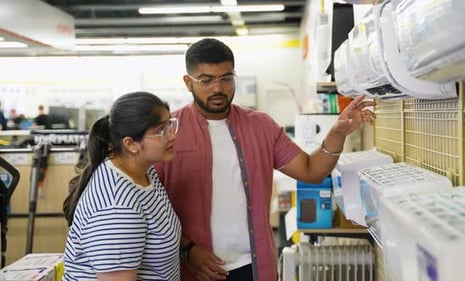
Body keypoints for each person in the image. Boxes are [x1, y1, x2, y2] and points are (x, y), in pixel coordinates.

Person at [154, 38, 376, 281]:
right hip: (192, 270)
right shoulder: (168, 132)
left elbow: (311, 171)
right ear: (188, 82)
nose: (217, 88)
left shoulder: (261, 126)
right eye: (206, 80)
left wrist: (337, 133)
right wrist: (187, 250)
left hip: (254, 267)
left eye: (226, 78)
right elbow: (150, 210)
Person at [62, 91, 182, 281]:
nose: (172, 135)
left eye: (171, 124)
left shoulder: (143, 171)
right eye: (161, 131)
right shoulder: (117, 208)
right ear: (130, 144)